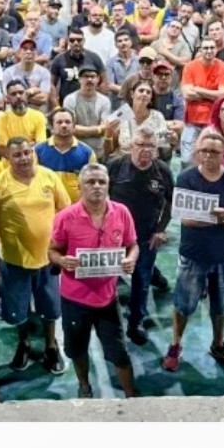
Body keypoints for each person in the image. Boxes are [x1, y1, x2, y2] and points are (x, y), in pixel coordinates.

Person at [49, 164, 138, 398]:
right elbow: (52, 250)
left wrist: (131, 259)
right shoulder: (65, 217)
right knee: (78, 350)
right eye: (90, 182)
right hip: (74, 300)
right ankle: (84, 386)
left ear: (108, 186)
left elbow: (132, 245)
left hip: (108, 298)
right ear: (79, 187)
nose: (97, 186)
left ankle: (131, 395)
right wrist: (62, 260)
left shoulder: (122, 212)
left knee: (119, 352)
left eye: (101, 182)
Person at [163, 132, 224, 372]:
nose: (209, 156)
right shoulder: (186, 178)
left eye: (214, 152)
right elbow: (185, 219)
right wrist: (220, 219)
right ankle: (175, 344)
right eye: (205, 151)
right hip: (193, 256)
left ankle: (218, 344)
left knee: (222, 307)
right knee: (183, 305)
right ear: (198, 153)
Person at [0, 136, 70, 374]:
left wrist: (63, 249)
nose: (24, 158)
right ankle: (23, 343)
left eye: (27, 153)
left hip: (48, 259)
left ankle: (51, 346)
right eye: (17, 155)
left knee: (51, 308)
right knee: (17, 310)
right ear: (8, 158)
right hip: (14, 261)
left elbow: (65, 212)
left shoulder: (49, 177)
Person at [106, 127, 174, 345]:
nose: (146, 150)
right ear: (131, 146)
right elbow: (101, 196)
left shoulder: (162, 171)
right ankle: (107, 320)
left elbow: (172, 201)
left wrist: (161, 229)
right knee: (109, 278)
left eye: (150, 146)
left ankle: (136, 321)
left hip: (146, 236)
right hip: (115, 237)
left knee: (141, 281)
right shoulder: (116, 166)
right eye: (141, 145)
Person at [180, 37, 224, 164]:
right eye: (206, 48)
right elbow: (187, 94)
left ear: (217, 49)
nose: (209, 51)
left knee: (213, 159)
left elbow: (222, 95)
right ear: (200, 50)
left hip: (214, 121)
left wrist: (198, 89)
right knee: (187, 160)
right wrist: (212, 95)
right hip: (192, 121)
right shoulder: (190, 67)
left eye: (212, 48)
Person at [35, 108, 96, 203]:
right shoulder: (37, 151)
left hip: (76, 207)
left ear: (74, 126)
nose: (64, 125)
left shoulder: (87, 152)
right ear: (51, 127)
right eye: (59, 122)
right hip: (47, 206)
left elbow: (93, 183)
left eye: (68, 122)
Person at [0, 79, 48, 159]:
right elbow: (1, 148)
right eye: (13, 94)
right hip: (9, 163)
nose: (18, 96)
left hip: (32, 161)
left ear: (26, 94)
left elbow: (41, 146)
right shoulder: (2, 118)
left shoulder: (38, 116)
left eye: (21, 92)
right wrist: (30, 145)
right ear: (7, 98)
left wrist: (15, 150)